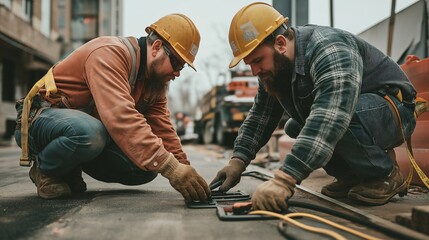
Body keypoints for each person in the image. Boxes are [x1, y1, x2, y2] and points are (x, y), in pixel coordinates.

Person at [210, 2, 417, 212]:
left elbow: (332, 115)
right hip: (356, 112)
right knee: (295, 126)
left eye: (257, 60)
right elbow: (260, 116)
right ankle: (353, 175)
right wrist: (238, 160)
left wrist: (285, 179)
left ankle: (384, 174)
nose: (254, 71)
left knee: (334, 117)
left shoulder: (329, 48)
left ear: (281, 43)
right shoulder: (275, 68)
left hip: (394, 112)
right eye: (249, 64)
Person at [15, 13, 210, 201]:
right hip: (39, 119)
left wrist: (184, 168)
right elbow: (120, 117)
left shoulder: (154, 83)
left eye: (182, 67)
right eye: (176, 62)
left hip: (75, 129)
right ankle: (45, 169)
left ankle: (68, 167)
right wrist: (171, 168)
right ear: (156, 47)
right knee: (91, 133)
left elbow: (162, 128)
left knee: (147, 167)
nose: (177, 72)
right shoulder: (109, 54)